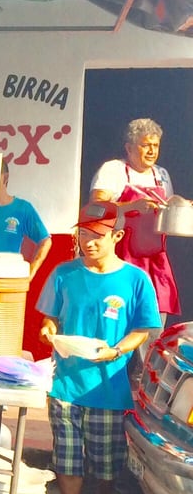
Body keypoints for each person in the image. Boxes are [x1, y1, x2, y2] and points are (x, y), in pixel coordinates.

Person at [36, 201, 160, 494]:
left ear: (117, 236)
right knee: (67, 460)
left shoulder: (135, 280)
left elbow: (142, 328)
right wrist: (48, 329)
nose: (89, 242)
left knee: (106, 464)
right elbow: (51, 319)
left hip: (108, 387)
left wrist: (118, 350)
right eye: (84, 234)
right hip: (65, 386)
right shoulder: (64, 273)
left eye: (98, 235)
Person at [90, 117, 178, 346]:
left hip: (155, 261)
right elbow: (95, 207)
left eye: (155, 145)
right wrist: (131, 207)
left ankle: (146, 376)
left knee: (153, 323)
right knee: (118, 318)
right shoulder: (114, 170)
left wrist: (180, 208)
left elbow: (166, 210)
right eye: (145, 145)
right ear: (129, 147)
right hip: (122, 257)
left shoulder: (162, 175)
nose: (151, 151)